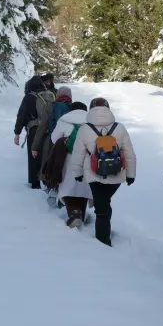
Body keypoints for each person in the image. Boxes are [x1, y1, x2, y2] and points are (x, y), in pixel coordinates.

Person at [69, 97, 137, 246]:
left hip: (93, 174)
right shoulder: (120, 128)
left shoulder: (84, 129)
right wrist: (131, 175)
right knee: (104, 202)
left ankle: (103, 242)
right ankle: (105, 229)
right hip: (116, 174)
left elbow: (78, 154)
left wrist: (77, 173)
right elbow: (130, 153)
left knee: (101, 208)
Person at [49, 101, 92, 227]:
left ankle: (74, 213)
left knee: (68, 187)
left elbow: (53, 138)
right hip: (87, 159)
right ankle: (81, 215)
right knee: (84, 188)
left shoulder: (64, 120)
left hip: (69, 158)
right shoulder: (92, 121)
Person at [13, 74, 56, 189]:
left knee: (33, 156)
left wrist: (17, 133)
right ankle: (47, 181)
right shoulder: (50, 95)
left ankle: (34, 183)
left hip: (34, 129)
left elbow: (21, 115)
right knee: (47, 155)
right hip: (48, 128)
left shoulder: (29, 97)